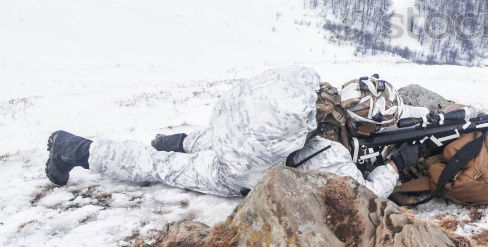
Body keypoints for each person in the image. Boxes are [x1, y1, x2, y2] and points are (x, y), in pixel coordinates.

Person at [43, 66, 426, 199]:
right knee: (156, 167)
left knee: (201, 142)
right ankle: (73, 149)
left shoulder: (312, 96)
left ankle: (176, 141)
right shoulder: (332, 156)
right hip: (236, 170)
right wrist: (393, 167)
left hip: (228, 132)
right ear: (362, 123)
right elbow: (365, 197)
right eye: (383, 122)